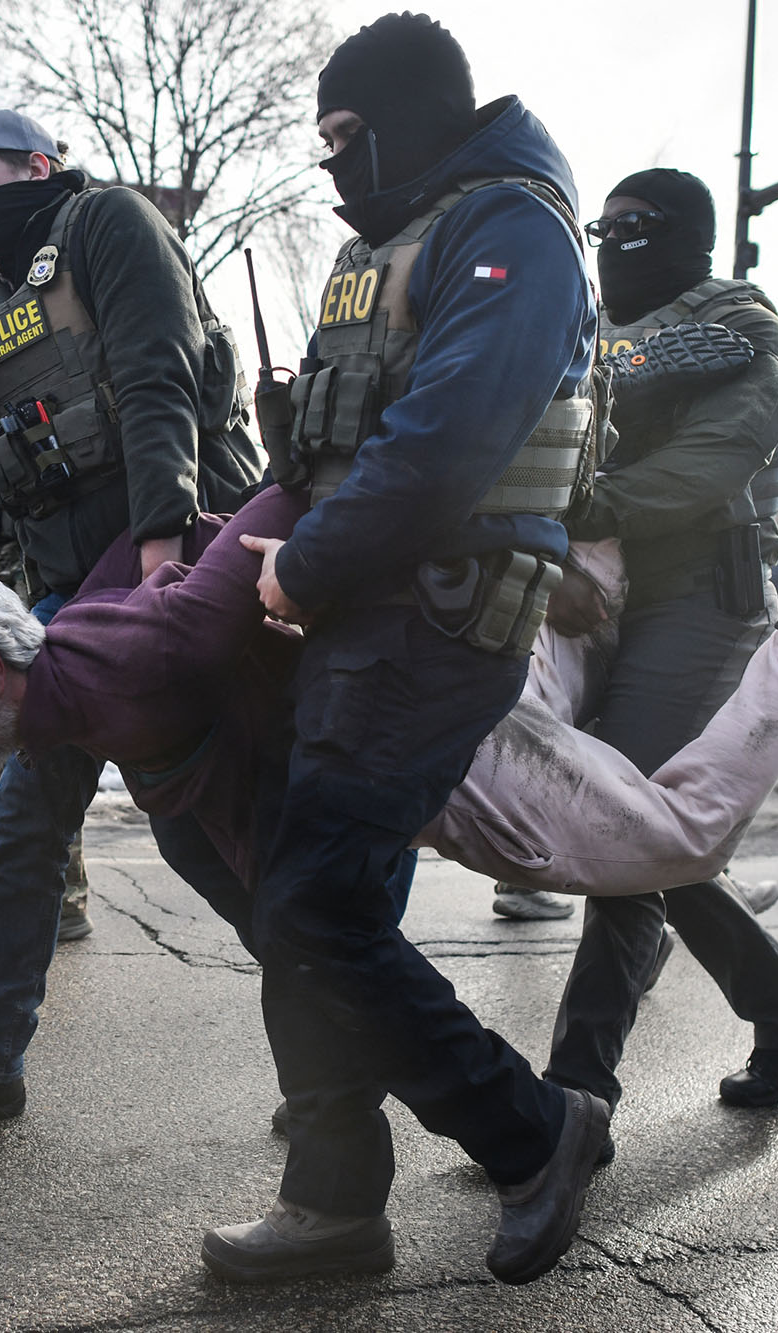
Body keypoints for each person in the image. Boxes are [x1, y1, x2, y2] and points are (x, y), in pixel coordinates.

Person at [0, 490, 778, 1279]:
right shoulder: (63, 691)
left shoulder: (141, 657)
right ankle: (342, 1203)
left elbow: (266, 519)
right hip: (375, 743)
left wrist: (315, 510)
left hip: (441, 745)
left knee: (674, 843)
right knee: (305, 937)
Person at [202, 13, 612, 1285]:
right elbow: (345, 442)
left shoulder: (512, 227)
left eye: (342, 135)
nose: (329, 164)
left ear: (407, 115)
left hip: (434, 616)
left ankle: (536, 1128)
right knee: (310, 895)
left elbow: (444, 445)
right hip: (356, 616)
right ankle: (332, 1205)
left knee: (313, 908)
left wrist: (304, 565)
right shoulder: (385, 246)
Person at [0, 108, 261, 1143]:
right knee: (27, 825)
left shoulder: (105, 226)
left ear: (36, 166)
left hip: (180, 557)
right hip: (64, 595)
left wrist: (167, 555)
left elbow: (156, 375)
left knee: (208, 836)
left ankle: (339, 1049)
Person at [508, 168, 778, 1131]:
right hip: (600, 590)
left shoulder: (742, 322)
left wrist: (592, 503)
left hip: (703, 590)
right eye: (600, 226)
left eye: (636, 226)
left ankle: (577, 1089)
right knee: (657, 835)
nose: (612, 241)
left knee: (625, 820)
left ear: (688, 238)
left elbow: (714, 460)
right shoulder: (587, 328)